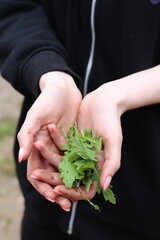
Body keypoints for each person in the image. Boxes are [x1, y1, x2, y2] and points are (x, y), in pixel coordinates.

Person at [1, 0, 160, 239]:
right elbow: (14, 8)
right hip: (46, 199)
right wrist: (49, 72)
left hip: (144, 204)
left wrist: (121, 95)